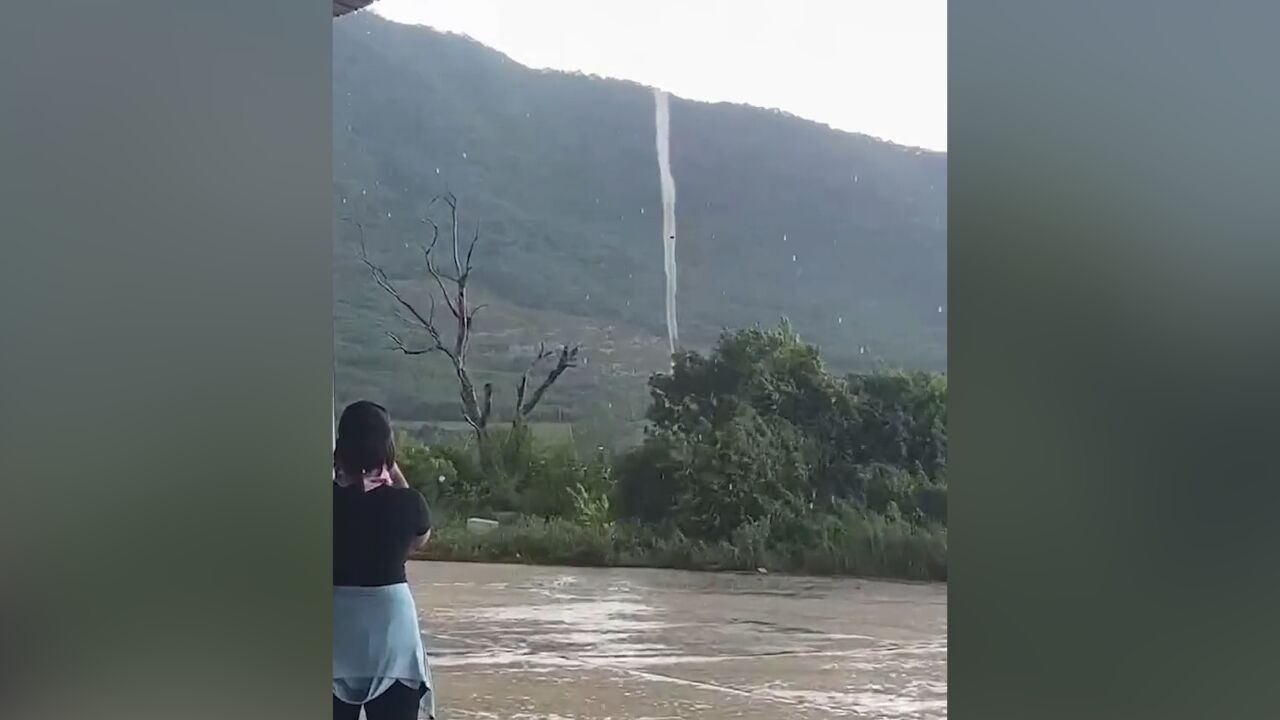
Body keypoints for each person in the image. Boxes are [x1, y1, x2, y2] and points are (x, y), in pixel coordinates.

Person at [332, 400, 436, 720]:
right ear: (387, 449)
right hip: (392, 635)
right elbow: (420, 539)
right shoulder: (407, 504)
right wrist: (390, 468)